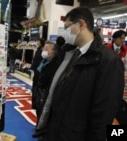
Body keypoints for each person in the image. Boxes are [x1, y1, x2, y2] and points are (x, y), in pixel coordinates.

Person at [37, 7, 125, 141]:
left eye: (67, 27)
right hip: (57, 130)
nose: (65, 32)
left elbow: (103, 113)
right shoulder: (70, 53)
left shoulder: (109, 61)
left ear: (81, 24)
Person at [31, 41, 62, 136]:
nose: (43, 51)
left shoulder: (56, 64)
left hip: (46, 92)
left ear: (53, 52)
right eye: (44, 48)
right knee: (38, 108)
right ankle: (39, 125)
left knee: (44, 110)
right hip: (38, 89)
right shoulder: (43, 61)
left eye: (46, 49)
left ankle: (42, 129)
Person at [30, 38, 45, 109]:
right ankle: (35, 103)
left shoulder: (41, 50)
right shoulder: (39, 50)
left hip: (39, 72)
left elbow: (38, 61)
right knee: (35, 87)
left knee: (37, 88)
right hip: (36, 71)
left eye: (38, 41)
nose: (37, 42)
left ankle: (36, 103)